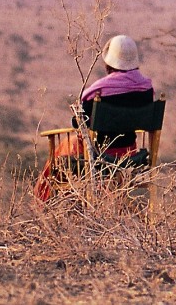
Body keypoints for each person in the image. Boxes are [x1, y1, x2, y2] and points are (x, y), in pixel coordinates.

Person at [35, 34, 153, 201]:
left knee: (65, 149)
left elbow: (79, 123)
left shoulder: (99, 91)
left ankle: (44, 202)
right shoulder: (146, 89)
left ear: (109, 62)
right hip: (132, 155)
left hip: (99, 155)